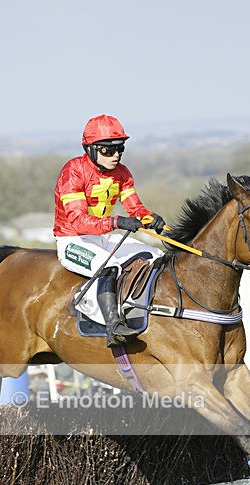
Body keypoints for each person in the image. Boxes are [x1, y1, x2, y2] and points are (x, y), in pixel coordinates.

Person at [54, 114, 166, 347]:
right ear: (91, 149)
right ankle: (114, 327)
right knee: (110, 265)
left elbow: (135, 208)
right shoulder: (73, 171)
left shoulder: (122, 173)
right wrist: (117, 222)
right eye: (107, 150)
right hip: (72, 239)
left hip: (102, 236)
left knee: (155, 255)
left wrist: (150, 218)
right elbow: (78, 221)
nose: (115, 155)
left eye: (120, 149)